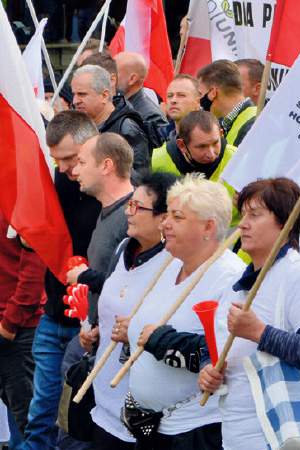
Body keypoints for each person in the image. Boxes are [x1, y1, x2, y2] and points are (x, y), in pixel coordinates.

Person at [197, 177, 300, 449]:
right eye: (243, 215)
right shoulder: (238, 286)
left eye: (255, 215)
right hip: (239, 436)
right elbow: (220, 348)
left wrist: (259, 332)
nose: (242, 224)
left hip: (288, 437)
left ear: (285, 222)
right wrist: (208, 368)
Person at [126, 174, 245, 449]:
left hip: (196, 432)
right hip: (152, 427)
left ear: (208, 227)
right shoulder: (169, 262)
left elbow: (225, 353)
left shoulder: (230, 277)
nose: (165, 223)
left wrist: (162, 341)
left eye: (177, 217)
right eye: (167, 214)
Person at [19, 111, 101, 450]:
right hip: (52, 319)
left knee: (74, 426)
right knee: (40, 418)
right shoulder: (52, 184)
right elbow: (28, 237)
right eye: (58, 160)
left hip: (91, 328)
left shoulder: (116, 197)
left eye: (71, 158)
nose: (66, 168)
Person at [89, 172, 177, 450]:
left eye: (138, 207)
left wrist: (136, 331)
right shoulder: (123, 248)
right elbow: (112, 298)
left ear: (164, 218)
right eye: (130, 204)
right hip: (102, 395)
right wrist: (95, 330)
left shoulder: (174, 264)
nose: (129, 212)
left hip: (137, 410)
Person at [67, 133, 134, 325]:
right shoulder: (107, 208)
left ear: (106, 166)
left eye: (82, 162)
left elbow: (134, 286)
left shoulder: (133, 215)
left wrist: (85, 276)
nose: (75, 170)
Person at [0, 212, 46, 447]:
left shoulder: (19, 197)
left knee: (28, 426)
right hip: (12, 323)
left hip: (17, 329)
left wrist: (10, 322)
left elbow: (35, 264)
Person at [71, 64, 150, 170]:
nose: (75, 101)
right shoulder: (76, 126)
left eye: (82, 94)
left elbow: (138, 176)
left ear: (104, 95)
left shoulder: (127, 129)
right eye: (74, 94)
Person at [197, 59, 257, 146]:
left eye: (200, 94)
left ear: (213, 93)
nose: (198, 100)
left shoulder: (253, 125)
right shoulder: (227, 123)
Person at [114, 51, 169, 147]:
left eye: (115, 72)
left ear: (132, 79)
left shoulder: (150, 117)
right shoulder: (119, 103)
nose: (110, 77)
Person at [159, 74, 201, 141]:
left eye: (181, 95)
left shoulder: (211, 138)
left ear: (197, 102)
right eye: (170, 96)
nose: (173, 100)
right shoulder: (162, 140)